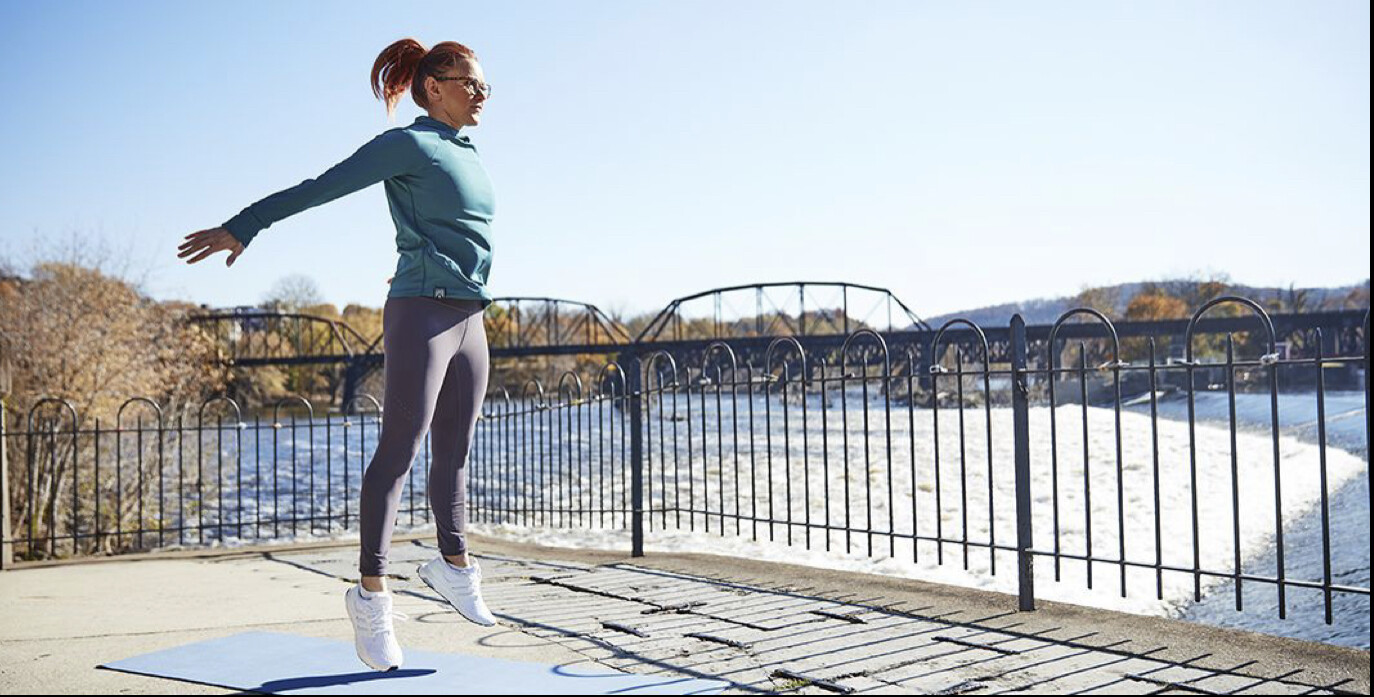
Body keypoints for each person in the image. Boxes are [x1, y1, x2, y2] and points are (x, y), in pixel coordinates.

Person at [177, 37, 498, 672]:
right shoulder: (408, 144)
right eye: (471, 83)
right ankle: (371, 596)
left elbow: (455, 235)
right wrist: (246, 223)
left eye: (486, 85)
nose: (481, 94)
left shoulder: (468, 152)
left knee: (455, 451)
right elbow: (321, 187)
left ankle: (453, 564)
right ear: (434, 87)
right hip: (422, 313)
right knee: (400, 449)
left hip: (471, 317)